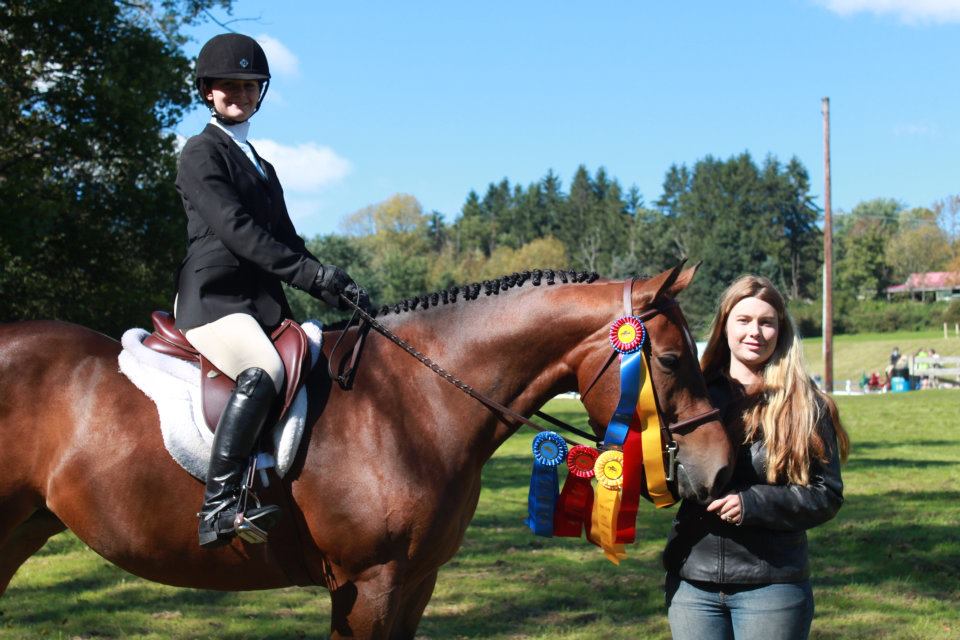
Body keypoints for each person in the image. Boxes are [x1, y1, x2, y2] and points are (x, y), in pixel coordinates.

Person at [174, 33, 369, 548]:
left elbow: (285, 239)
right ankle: (217, 508)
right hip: (215, 301)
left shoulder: (262, 165)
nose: (238, 93)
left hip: (260, 304)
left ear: (260, 92)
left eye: (249, 84)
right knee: (263, 372)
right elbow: (238, 231)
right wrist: (311, 276)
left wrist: (334, 285)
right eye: (227, 85)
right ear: (208, 92)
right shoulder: (200, 153)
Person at [662, 275, 850, 640]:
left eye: (766, 322)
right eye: (744, 320)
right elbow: (669, 478)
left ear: (781, 329)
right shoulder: (690, 401)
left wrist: (753, 504)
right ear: (725, 326)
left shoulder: (807, 404)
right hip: (690, 584)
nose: (755, 332)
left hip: (772, 586)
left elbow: (826, 494)